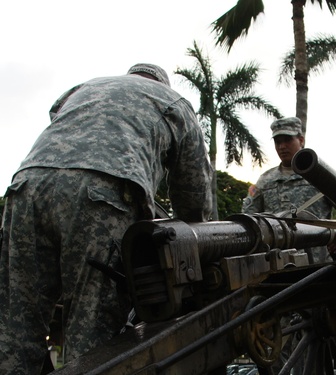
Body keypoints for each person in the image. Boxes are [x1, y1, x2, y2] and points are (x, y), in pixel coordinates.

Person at [0, 63, 212, 374]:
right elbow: (193, 193)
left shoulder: (83, 88)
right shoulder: (172, 101)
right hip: (101, 195)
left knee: (15, 323)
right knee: (92, 326)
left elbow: (59, 119)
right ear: (162, 83)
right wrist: (199, 235)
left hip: (27, 186)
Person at [242, 116, 336, 263]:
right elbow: (248, 216)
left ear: (301, 140)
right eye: (278, 142)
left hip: (319, 265)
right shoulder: (264, 181)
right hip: (277, 264)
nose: (282, 146)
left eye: (287, 140)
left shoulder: (320, 175)